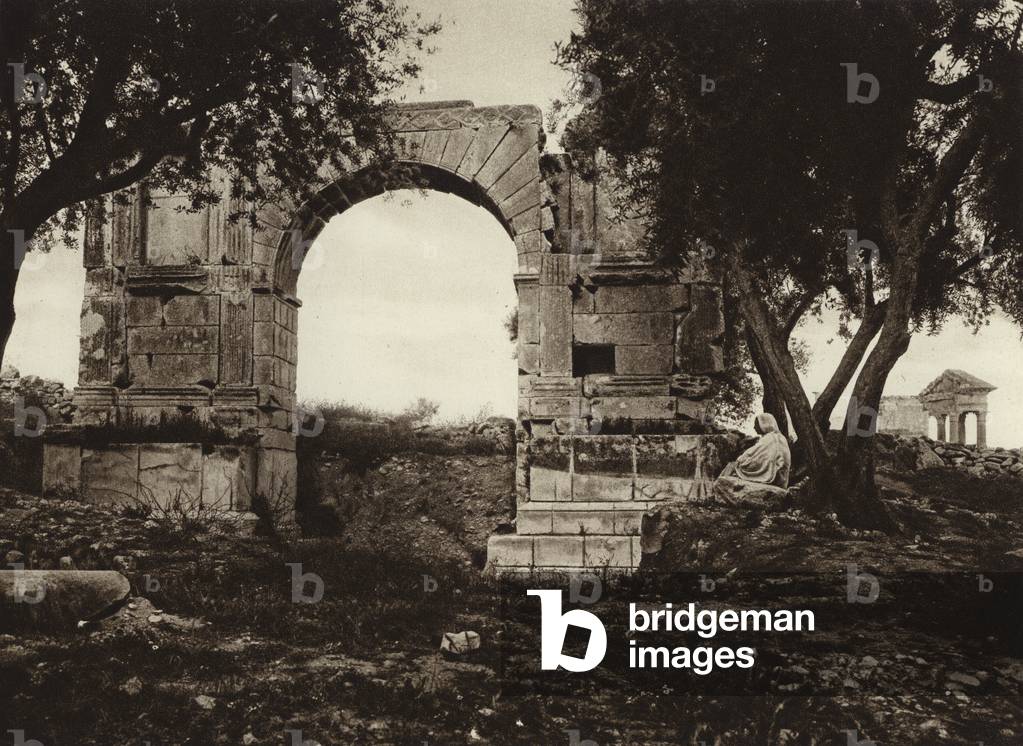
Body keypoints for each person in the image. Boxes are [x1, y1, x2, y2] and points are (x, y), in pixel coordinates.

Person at [720, 412, 791, 488]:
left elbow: (752, 455)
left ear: (764, 424)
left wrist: (740, 461)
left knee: (732, 466)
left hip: (773, 475)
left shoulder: (769, 438)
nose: (754, 427)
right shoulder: (780, 437)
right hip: (782, 478)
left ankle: (718, 488)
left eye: (757, 424)